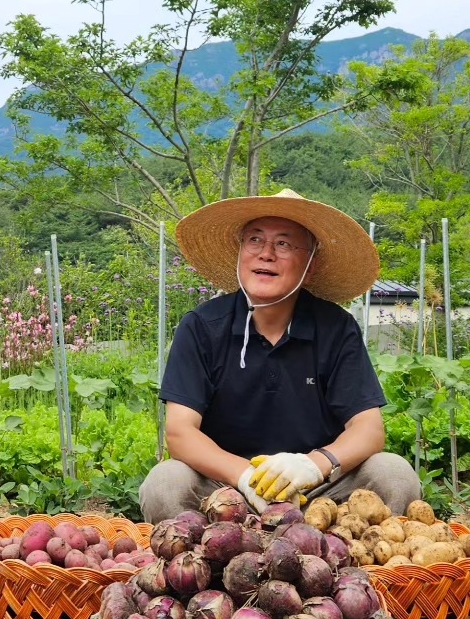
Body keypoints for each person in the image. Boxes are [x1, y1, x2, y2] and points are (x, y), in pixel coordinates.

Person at [140, 188, 420, 524]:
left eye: (284, 244)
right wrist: (246, 476)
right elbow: (180, 433)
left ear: (310, 267)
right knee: (165, 483)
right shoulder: (201, 327)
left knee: (394, 473)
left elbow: (369, 429)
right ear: (240, 253)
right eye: (255, 240)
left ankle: (347, 563)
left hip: (317, 490)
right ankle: (208, 564)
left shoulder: (335, 327)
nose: (266, 254)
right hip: (226, 487)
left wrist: (315, 464)